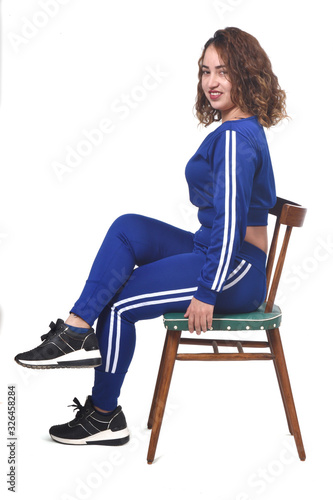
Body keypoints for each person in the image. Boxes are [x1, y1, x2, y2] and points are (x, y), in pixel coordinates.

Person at [15, 27, 287, 446]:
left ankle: (104, 415)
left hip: (235, 269)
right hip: (213, 250)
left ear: (246, 75)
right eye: (204, 72)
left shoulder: (235, 139)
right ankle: (77, 328)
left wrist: (208, 291)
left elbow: (232, 223)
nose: (211, 82)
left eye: (223, 72)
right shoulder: (238, 130)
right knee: (129, 228)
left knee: (121, 302)